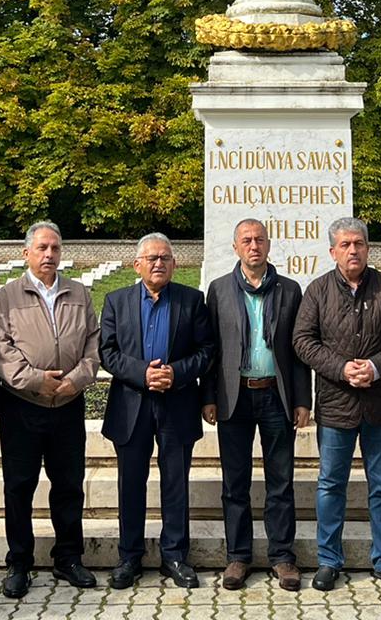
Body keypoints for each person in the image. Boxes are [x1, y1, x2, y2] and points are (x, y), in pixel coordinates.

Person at [291, 216, 381, 592]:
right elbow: (302, 340)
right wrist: (342, 368)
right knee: (331, 484)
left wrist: (377, 367)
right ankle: (329, 560)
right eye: (345, 245)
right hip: (336, 405)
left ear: (367, 248)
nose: (353, 250)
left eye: (359, 244)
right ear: (332, 251)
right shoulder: (317, 291)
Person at [0, 222, 101, 597]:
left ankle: (68, 557)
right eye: (41, 248)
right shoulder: (6, 297)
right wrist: (38, 380)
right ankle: (19, 561)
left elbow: (92, 346)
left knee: (69, 485)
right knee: (19, 487)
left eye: (55, 247)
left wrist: (76, 380)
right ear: (27, 253)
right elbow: (1, 351)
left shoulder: (79, 293)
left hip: (68, 404)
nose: (49, 254)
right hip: (23, 406)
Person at [98, 232, 215, 589]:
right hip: (131, 405)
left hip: (177, 403)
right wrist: (143, 374)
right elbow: (108, 351)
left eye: (165, 258)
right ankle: (129, 557)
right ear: (138, 265)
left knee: (176, 483)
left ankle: (175, 556)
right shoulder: (116, 301)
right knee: (130, 484)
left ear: (175, 264)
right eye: (151, 258)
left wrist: (175, 373)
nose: (159, 263)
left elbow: (206, 350)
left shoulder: (192, 301)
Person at [202, 218, 313, 591]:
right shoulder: (218, 291)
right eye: (246, 240)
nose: (254, 246)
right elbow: (211, 351)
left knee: (280, 481)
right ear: (235, 247)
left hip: (275, 396)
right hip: (234, 397)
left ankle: (283, 557)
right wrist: (209, 397)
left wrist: (302, 399)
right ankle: (238, 556)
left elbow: (298, 352)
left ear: (268, 246)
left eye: (259, 240)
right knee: (235, 482)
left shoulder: (289, 290)